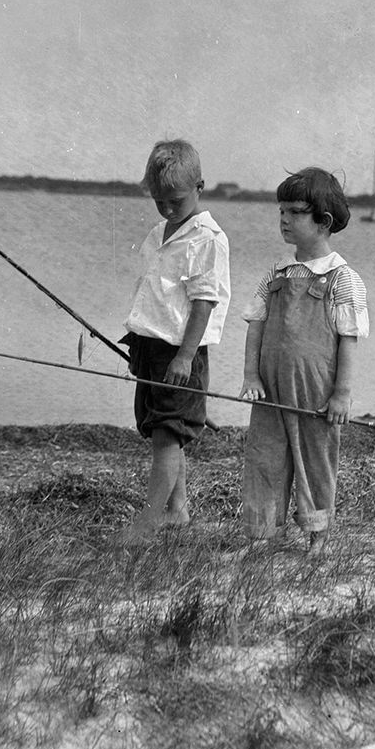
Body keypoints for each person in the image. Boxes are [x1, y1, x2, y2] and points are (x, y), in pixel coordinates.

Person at [239, 167, 368, 556]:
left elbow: (348, 341)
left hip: (316, 393)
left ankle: (318, 537)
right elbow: (256, 326)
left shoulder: (343, 278)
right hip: (270, 389)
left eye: (295, 212)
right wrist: (251, 375)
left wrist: (341, 395)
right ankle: (262, 535)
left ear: (323, 221)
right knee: (264, 459)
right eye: (281, 211)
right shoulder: (276, 272)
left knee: (316, 461)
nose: (284, 219)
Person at [120, 139, 231, 542]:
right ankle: (176, 511)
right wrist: (139, 340)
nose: (167, 209)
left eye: (176, 201)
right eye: (159, 201)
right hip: (152, 347)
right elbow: (153, 293)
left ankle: (147, 523)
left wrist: (184, 357)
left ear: (200, 187)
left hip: (182, 352)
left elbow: (204, 303)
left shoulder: (207, 238)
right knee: (160, 430)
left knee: (169, 434)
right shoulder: (158, 233)